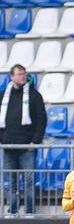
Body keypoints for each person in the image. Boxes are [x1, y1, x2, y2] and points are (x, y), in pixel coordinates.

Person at [2, 63, 46, 215]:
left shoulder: (34, 95)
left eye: (24, 73)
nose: (23, 76)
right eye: (19, 74)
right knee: (11, 182)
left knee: (29, 181)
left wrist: (35, 141)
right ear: (12, 76)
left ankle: (29, 211)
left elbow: (41, 120)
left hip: (27, 147)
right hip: (8, 147)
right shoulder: (3, 96)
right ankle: (12, 210)